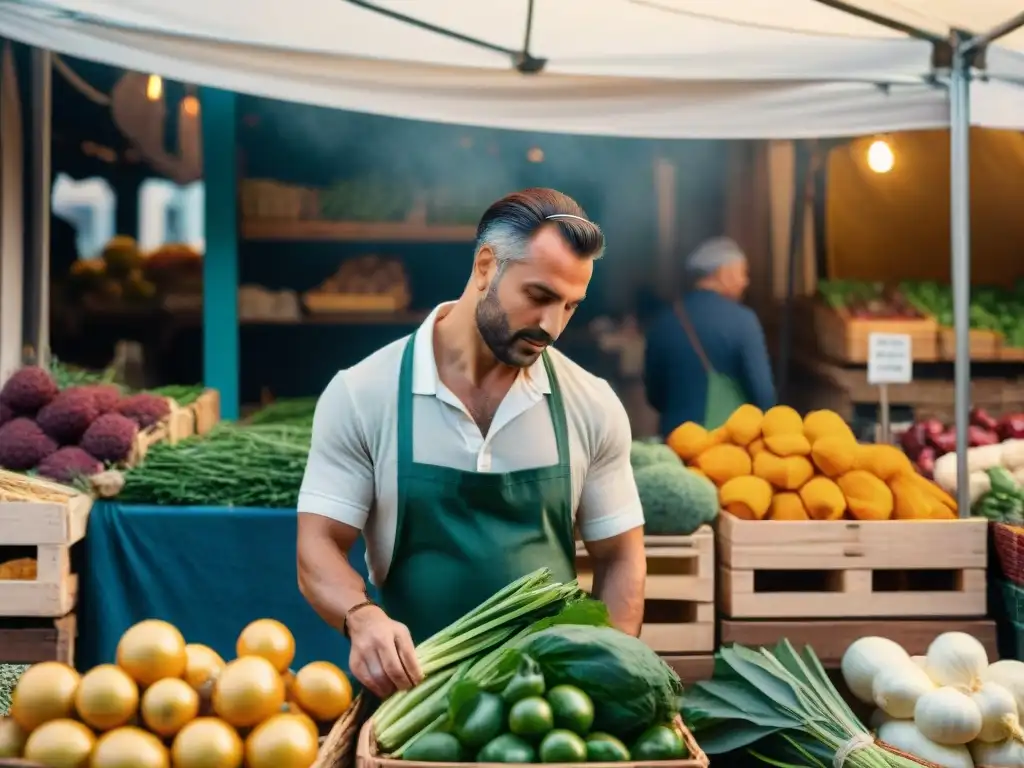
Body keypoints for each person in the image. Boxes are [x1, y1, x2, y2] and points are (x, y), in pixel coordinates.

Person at [297, 188, 647, 699]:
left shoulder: (591, 404)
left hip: (543, 717)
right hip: (410, 709)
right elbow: (319, 543)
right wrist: (361, 617)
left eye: (570, 306)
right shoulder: (362, 394)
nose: (552, 326)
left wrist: (601, 678)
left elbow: (621, 557)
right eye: (540, 296)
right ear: (486, 266)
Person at [643, 236, 775, 436]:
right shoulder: (743, 320)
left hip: (676, 440)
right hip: (727, 445)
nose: (745, 282)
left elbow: (654, 395)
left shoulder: (664, 321)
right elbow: (764, 394)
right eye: (742, 273)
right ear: (725, 273)